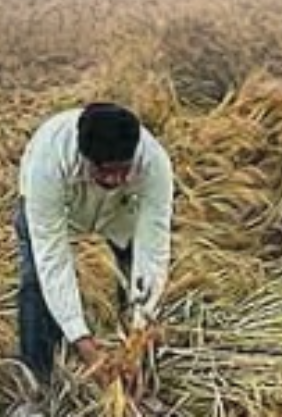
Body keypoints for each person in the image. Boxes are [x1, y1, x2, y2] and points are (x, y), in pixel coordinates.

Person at [10, 102, 174, 416]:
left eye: (122, 169)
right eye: (104, 170)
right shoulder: (48, 162)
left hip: (120, 214)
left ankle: (141, 384)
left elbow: (153, 251)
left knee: (140, 287)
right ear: (86, 157)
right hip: (59, 210)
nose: (113, 179)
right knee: (35, 283)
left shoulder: (154, 165)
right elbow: (53, 260)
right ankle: (36, 390)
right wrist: (82, 342)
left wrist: (138, 336)